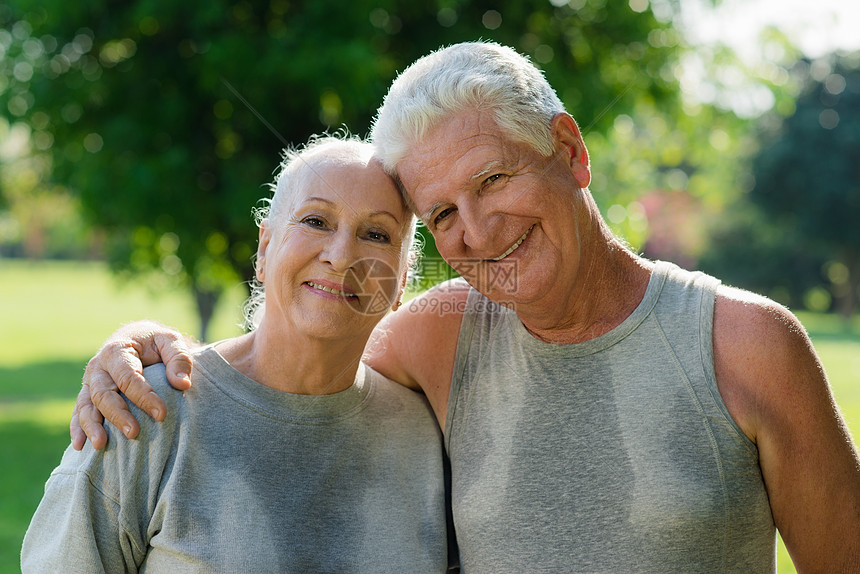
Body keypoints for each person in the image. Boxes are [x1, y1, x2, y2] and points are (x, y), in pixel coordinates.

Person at [71, 42, 860, 572]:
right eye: (442, 214)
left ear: (570, 151)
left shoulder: (748, 347)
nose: (479, 232)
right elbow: (292, 362)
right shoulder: (436, 341)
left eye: (493, 180)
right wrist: (139, 347)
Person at [23, 135, 452, 573]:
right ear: (265, 248)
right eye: (316, 221)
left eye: (376, 234)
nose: (342, 257)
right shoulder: (142, 412)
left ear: (401, 282)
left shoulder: (426, 436)